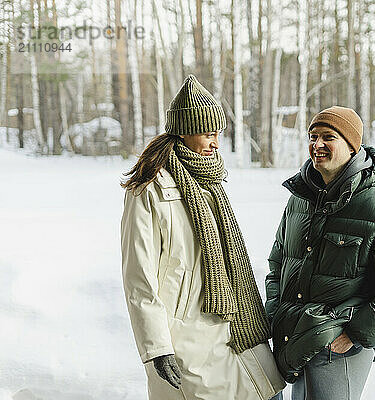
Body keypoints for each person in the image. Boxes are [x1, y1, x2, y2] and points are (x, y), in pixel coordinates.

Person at [120, 75, 285, 400]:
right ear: (184, 131)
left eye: (218, 134)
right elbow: (138, 279)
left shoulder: (211, 182)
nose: (215, 143)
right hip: (187, 338)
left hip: (235, 326)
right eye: (208, 133)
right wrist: (156, 346)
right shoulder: (148, 190)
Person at [265, 106, 375, 400]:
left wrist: (355, 334)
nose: (317, 145)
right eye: (312, 136)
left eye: (328, 137)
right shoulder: (300, 200)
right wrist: (278, 311)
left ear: (352, 146)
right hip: (295, 336)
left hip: (338, 347)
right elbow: (278, 263)